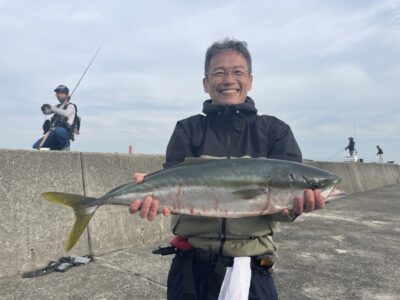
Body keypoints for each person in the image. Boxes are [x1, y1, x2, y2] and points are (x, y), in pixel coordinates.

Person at [129, 38, 325, 300]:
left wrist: (297, 208)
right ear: (206, 83)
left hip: (252, 266)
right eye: (219, 72)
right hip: (191, 265)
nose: (228, 79)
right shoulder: (188, 129)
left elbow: (281, 209)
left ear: (251, 80)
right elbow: (174, 187)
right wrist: (153, 190)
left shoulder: (275, 131)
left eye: (237, 72)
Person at [32, 85, 76, 150]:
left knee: (58, 130)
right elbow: (47, 112)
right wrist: (43, 109)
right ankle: (55, 146)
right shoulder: (57, 106)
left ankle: (66, 147)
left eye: (61, 93)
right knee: (36, 145)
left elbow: (66, 114)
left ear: (66, 94)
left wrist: (51, 107)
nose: (59, 95)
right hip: (54, 133)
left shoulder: (71, 106)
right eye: (57, 93)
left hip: (65, 132)